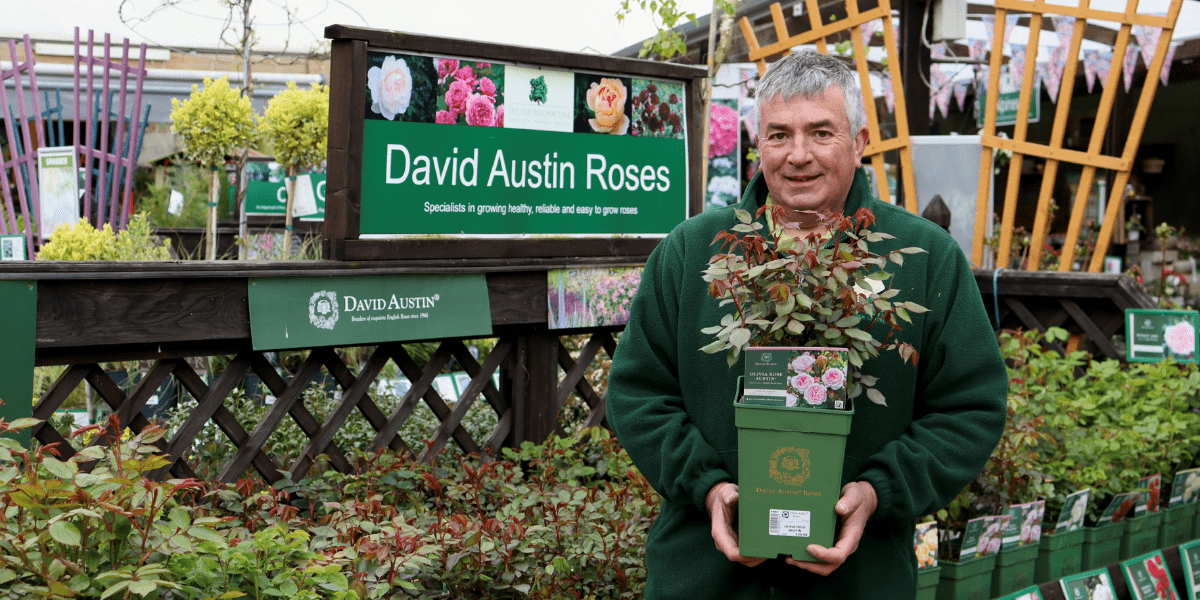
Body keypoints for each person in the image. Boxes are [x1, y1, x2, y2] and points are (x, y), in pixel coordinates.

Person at [605, 50, 1008, 599]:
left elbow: (970, 406)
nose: (798, 156)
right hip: (705, 580)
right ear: (758, 142)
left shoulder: (922, 258)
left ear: (860, 141)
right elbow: (638, 392)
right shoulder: (692, 252)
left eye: (821, 133)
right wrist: (708, 488)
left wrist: (877, 492)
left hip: (860, 582)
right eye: (779, 135)